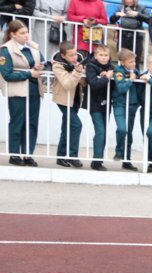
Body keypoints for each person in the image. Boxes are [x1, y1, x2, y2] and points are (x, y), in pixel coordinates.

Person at [0, 20, 45, 167]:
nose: (26, 36)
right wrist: (29, 73)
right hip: (18, 90)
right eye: (22, 33)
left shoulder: (33, 47)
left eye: (27, 32)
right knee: (17, 122)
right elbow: (7, 74)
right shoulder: (5, 50)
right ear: (12, 34)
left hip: (34, 90)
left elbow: (43, 62)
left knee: (32, 123)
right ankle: (14, 154)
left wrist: (39, 67)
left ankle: (28, 154)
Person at [51, 40, 84, 168]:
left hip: (75, 99)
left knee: (67, 127)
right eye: (71, 55)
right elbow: (67, 84)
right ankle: (72, 156)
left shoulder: (77, 64)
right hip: (63, 100)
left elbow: (83, 83)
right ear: (63, 55)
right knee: (76, 125)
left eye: (75, 54)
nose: (74, 57)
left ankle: (60, 156)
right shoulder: (57, 66)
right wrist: (77, 72)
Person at [82, 43, 111, 170]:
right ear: (95, 55)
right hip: (94, 104)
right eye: (101, 55)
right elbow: (94, 83)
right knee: (100, 131)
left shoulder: (111, 67)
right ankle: (97, 160)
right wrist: (107, 78)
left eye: (106, 55)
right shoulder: (90, 66)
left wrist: (110, 74)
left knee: (103, 132)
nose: (104, 58)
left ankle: (98, 160)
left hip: (106, 103)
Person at [112, 48, 140, 170]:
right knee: (122, 129)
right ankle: (118, 151)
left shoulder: (136, 71)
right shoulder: (118, 71)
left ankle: (127, 160)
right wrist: (130, 80)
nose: (133, 64)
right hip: (120, 104)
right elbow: (121, 88)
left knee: (129, 134)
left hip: (132, 106)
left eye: (134, 61)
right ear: (123, 62)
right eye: (130, 62)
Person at [109, 0, 148, 67]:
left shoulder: (141, 7)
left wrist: (137, 14)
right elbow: (112, 21)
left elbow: (149, 20)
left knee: (135, 60)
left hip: (136, 37)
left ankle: (135, 74)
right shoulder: (121, 7)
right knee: (122, 58)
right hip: (123, 37)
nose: (128, 1)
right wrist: (116, 15)